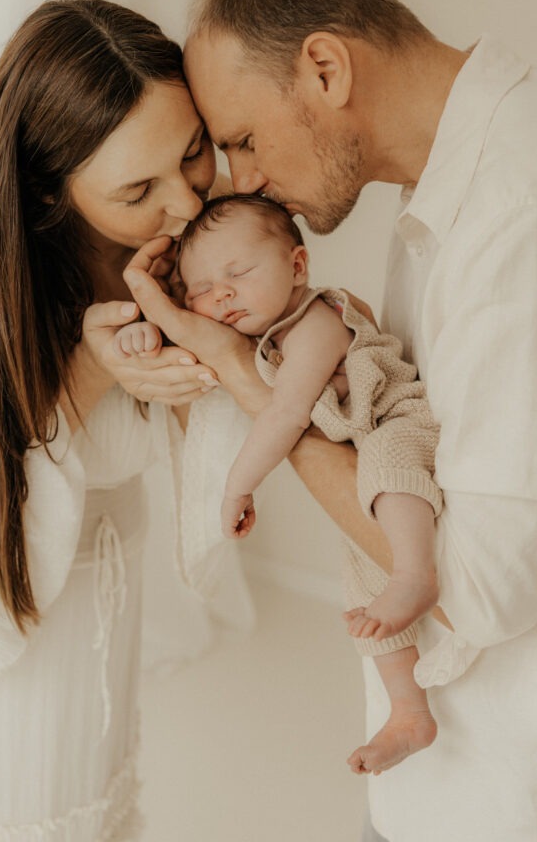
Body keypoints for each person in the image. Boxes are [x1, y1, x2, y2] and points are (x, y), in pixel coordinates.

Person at [121, 0, 537, 842]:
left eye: (241, 139)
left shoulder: (516, 211)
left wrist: (243, 376)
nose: (244, 182)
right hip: (442, 763)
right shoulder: (444, 178)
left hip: (503, 786)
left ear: (323, 67)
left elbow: (479, 592)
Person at [0, 0, 263, 841]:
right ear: (50, 187)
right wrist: (88, 368)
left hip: (103, 591)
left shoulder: (184, 224)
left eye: (192, 152)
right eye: (136, 189)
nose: (187, 205)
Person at [116, 191, 442, 774]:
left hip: (398, 422)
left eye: (238, 272)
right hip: (362, 458)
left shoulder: (317, 319)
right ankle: (408, 711)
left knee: (391, 476)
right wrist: (145, 329)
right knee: (361, 583)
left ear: (297, 266)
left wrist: (237, 487)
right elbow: (186, 344)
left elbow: (286, 413)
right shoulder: (256, 337)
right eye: (202, 289)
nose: (222, 294)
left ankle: (418, 575)